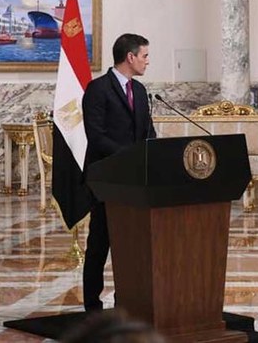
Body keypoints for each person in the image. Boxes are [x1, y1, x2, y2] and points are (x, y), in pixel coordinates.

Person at [82, 33, 156, 311]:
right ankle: (92, 306)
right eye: (145, 56)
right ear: (130, 57)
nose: (148, 61)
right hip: (106, 180)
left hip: (135, 182)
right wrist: (129, 156)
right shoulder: (97, 89)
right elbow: (96, 136)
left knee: (132, 245)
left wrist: (154, 153)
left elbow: (147, 131)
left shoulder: (139, 91)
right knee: (100, 244)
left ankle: (128, 300)